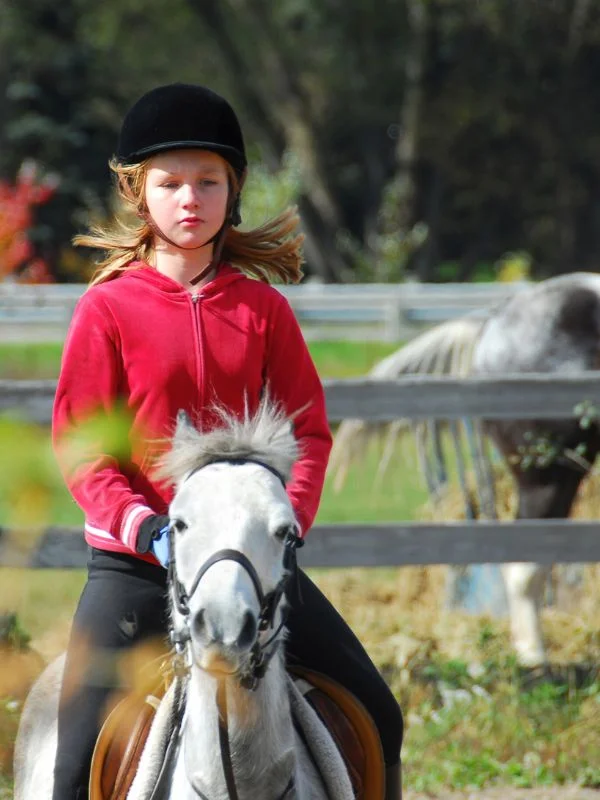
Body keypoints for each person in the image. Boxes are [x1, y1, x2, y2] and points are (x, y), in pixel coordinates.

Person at [51, 82, 404, 799]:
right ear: (137, 192)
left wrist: (286, 524)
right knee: (73, 749)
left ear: (231, 190)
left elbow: (307, 430)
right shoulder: (106, 311)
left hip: (249, 566)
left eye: (208, 182)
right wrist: (143, 526)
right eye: (170, 183)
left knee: (378, 710)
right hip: (138, 567)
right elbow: (82, 445)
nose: (190, 198)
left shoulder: (265, 311)